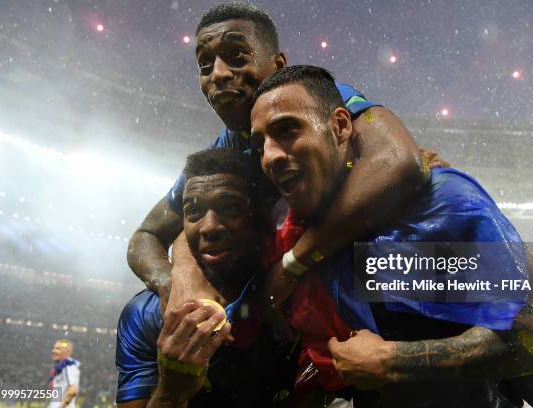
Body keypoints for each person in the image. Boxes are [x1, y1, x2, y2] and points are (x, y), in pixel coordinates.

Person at [250, 64, 533, 407]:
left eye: (288, 130)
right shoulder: (314, 237)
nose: (269, 157)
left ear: (341, 126)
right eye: (259, 144)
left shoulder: (427, 214)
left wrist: (390, 360)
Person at [127, 2, 433, 313]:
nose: (218, 74)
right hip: (285, 311)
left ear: (278, 65)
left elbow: (400, 162)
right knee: (144, 313)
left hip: (382, 282)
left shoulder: (316, 100)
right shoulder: (222, 155)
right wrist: (176, 281)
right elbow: (146, 235)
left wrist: (293, 264)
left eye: (236, 56)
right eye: (205, 64)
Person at [115, 148, 298, 407]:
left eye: (231, 207)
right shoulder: (146, 314)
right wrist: (172, 391)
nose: (210, 226)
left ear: (258, 217)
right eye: (193, 211)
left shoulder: (292, 294)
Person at [49, 339, 80, 408]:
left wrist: (60, 407)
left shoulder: (68, 365)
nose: (53, 351)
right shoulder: (61, 368)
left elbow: (73, 390)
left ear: (67, 351)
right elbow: (57, 399)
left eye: (58, 349)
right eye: (53, 348)